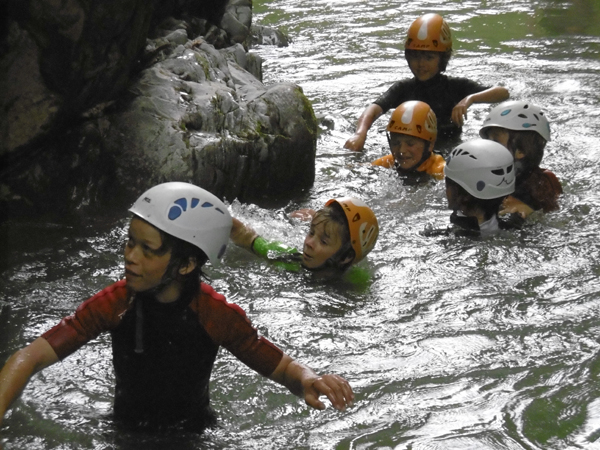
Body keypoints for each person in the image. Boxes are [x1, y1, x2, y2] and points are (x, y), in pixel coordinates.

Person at [0, 182, 354, 434]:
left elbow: (283, 368)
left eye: (148, 249)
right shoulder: (115, 303)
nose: (130, 256)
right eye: (130, 242)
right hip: (124, 433)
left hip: (194, 436)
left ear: (186, 264)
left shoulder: (215, 314)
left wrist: (309, 379)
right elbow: (28, 358)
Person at [344, 13, 510, 151]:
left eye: (429, 57)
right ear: (407, 57)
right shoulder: (403, 89)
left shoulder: (455, 87)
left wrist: (469, 99)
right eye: (415, 57)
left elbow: (503, 92)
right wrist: (360, 133)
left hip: (449, 149)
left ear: (442, 58)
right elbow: (373, 109)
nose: (421, 64)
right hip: (411, 153)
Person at [230, 197, 379, 282]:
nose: (308, 243)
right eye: (311, 232)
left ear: (346, 257)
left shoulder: (357, 283)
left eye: (323, 241)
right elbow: (243, 234)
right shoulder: (288, 258)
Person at [479, 100, 562, 218]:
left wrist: (527, 212)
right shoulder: (486, 177)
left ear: (521, 151)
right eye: (487, 140)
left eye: (495, 141)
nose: (487, 146)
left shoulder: (539, 187)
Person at [443, 139, 517, 237]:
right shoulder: (515, 225)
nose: (446, 190)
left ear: (465, 196)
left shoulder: (448, 237)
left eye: (447, 184)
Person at [371, 100, 445, 184]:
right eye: (396, 143)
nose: (401, 150)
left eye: (410, 144)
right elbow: (364, 169)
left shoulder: (440, 170)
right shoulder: (390, 161)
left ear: (430, 144)